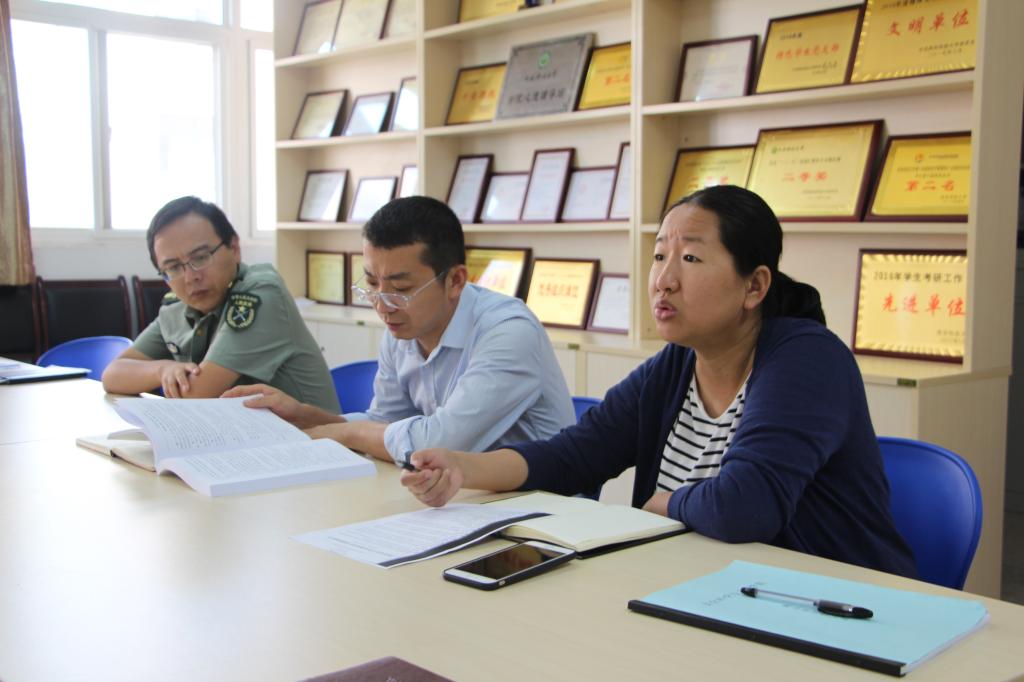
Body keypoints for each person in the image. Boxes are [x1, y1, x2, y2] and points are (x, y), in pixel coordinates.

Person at [401, 185, 918, 578]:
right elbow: (573, 455)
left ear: (755, 286)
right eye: (659, 256)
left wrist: (669, 502)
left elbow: (747, 506)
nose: (664, 280)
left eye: (690, 258)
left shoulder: (807, 359)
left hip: (834, 604)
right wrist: (462, 467)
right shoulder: (676, 365)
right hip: (706, 589)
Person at [223, 196, 575, 464]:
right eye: (371, 283)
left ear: (455, 280)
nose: (382, 305)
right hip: (454, 495)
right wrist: (304, 416)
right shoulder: (403, 325)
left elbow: (440, 443)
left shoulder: (508, 332)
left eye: (401, 289)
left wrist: (342, 433)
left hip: (539, 507)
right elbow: (385, 424)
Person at [102, 196, 339, 412]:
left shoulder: (261, 294)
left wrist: (160, 376)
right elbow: (113, 375)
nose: (190, 277)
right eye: (173, 268)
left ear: (234, 249)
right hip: (240, 438)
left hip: (308, 440)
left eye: (200, 257)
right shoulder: (177, 308)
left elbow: (197, 394)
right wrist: (163, 369)